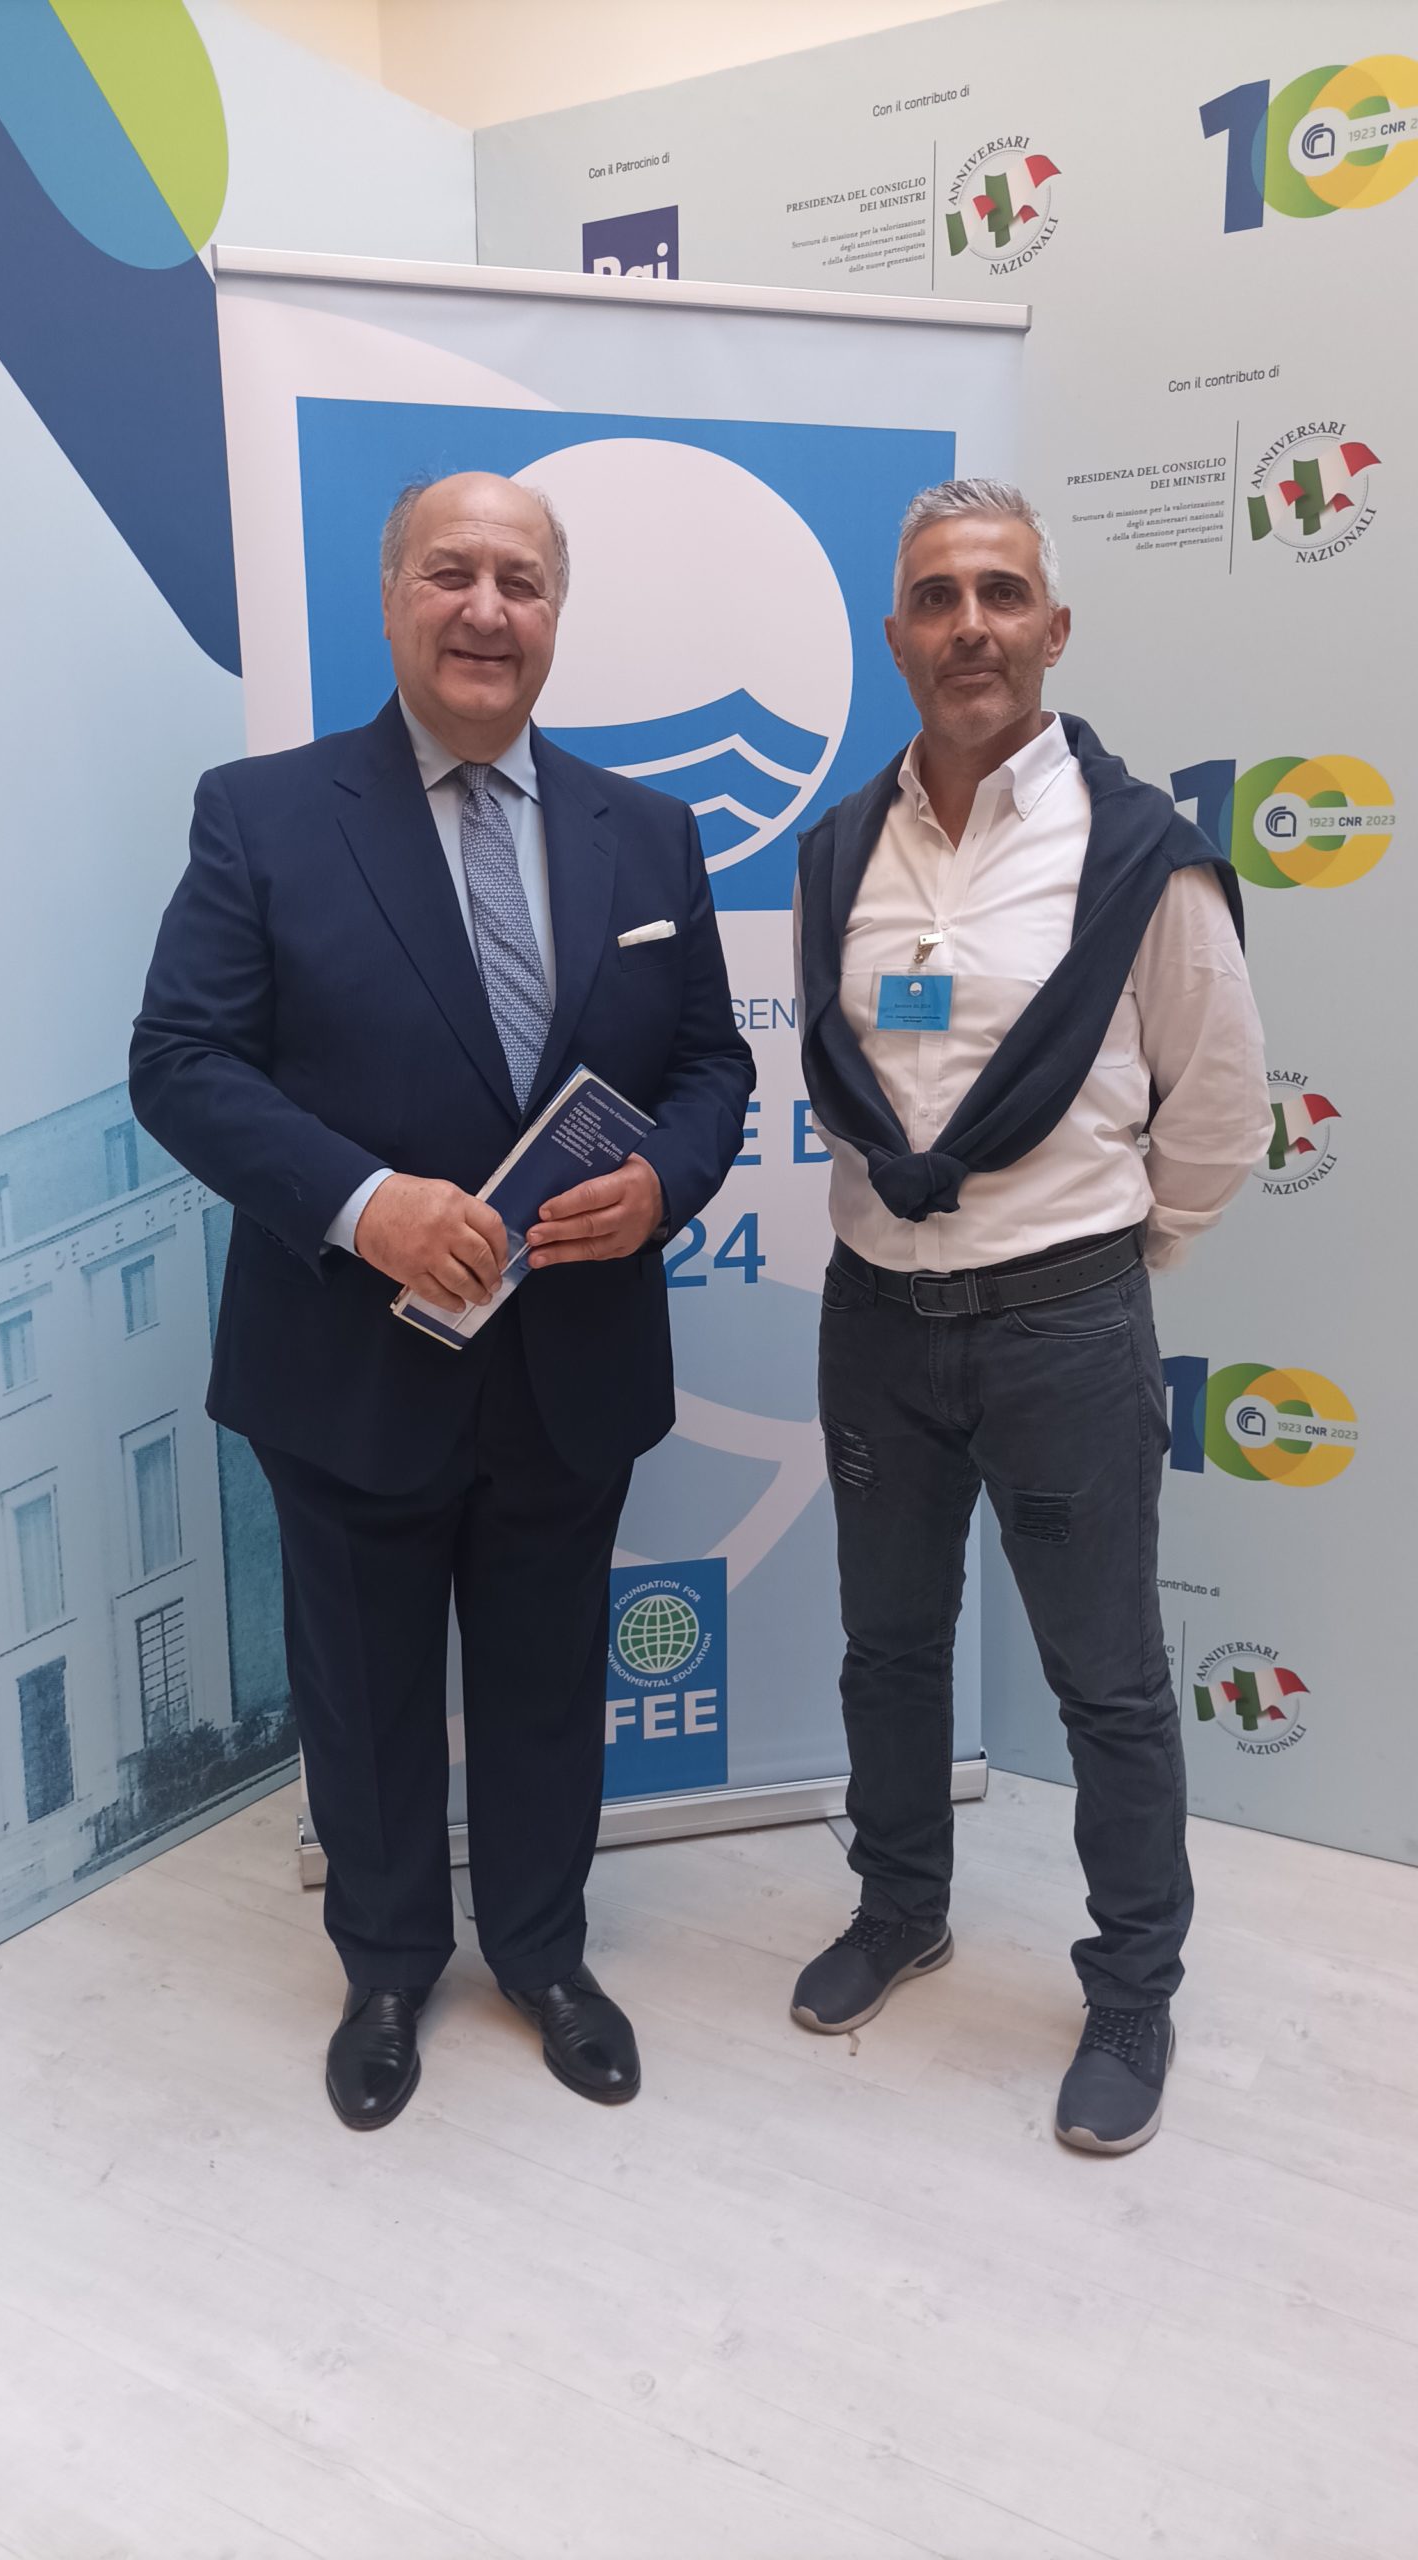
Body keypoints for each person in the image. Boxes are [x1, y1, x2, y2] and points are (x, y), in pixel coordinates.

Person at [131, 472, 754, 2129]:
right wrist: (368, 1207)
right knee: (365, 1691)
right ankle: (390, 1967)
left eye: (522, 580)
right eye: (451, 572)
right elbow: (180, 1061)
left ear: (557, 613)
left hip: (572, 1361)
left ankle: (545, 1956)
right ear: (393, 596)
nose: (488, 608)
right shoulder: (262, 815)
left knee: (550, 1684)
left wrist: (665, 1182)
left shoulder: (648, 832)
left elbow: (712, 1064)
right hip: (349, 1361)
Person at [791, 478, 1270, 2154]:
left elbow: (1218, 1109)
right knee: (886, 1647)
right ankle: (901, 1905)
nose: (970, 625)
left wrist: (1104, 1265)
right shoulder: (839, 848)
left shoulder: (1138, 851)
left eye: (1001, 593)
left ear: (1054, 629)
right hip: (877, 1321)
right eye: (937, 596)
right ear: (898, 636)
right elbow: (844, 1075)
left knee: (1108, 1684)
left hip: (1063, 1326)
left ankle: (1133, 1987)